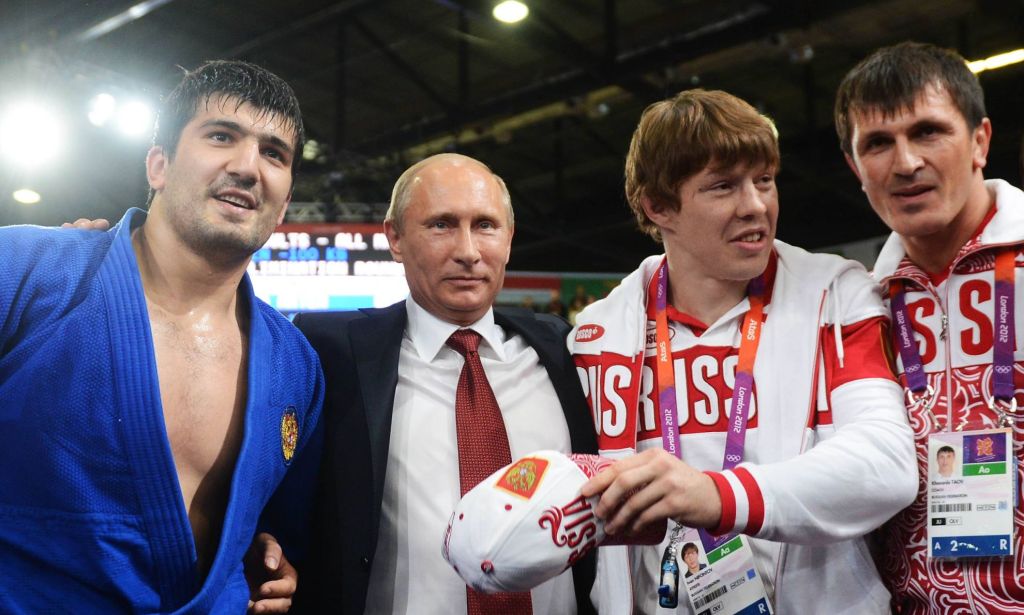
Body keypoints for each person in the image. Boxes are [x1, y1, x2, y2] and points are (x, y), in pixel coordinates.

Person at [571, 89, 918, 614]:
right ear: (658, 207)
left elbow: (885, 464)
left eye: (764, 180)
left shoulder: (836, 296)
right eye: (723, 186)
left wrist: (716, 496)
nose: (756, 205)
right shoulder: (596, 338)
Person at [0, 60, 323, 613]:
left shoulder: (297, 365)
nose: (248, 167)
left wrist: (268, 559)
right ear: (159, 166)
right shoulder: (25, 272)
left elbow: (277, 528)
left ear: (285, 202)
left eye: (274, 153)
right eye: (221, 136)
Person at [289, 153, 598, 614]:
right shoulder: (331, 352)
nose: (468, 251)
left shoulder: (560, 348)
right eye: (441, 225)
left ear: (509, 239)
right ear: (395, 237)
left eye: (486, 225)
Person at [835, 41, 1024, 613]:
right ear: (854, 167)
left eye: (928, 132)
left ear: (980, 141)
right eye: (877, 143)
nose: (906, 163)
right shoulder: (859, 307)